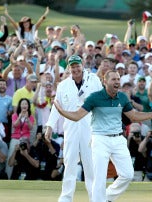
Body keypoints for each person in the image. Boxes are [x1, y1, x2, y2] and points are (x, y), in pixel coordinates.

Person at [53, 70, 152, 202]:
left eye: (118, 79)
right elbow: (77, 116)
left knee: (128, 174)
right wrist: (61, 111)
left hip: (118, 139)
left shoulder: (122, 97)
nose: (117, 82)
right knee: (99, 177)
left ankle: (107, 197)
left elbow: (133, 116)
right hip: (100, 140)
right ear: (104, 81)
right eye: (114, 79)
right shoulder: (94, 98)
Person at [45, 55, 102, 202]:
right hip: (70, 127)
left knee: (90, 164)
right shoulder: (63, 85)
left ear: (82, 65)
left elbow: (102, 101)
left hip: (89, 126)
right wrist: (50, 126)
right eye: (72, 66)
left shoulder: (93, 80)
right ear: (69, 68)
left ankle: (95, 197)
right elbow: (56, 107)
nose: (75, 69)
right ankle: (66, 197)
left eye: (77, 66)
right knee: (69, 163)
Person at [6, 98, 34, 179]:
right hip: (15, 138)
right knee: (11, 155)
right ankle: (8, 177)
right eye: (22, 104)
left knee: (25, 157)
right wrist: (20, 117)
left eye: (26, 104)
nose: (24, 105)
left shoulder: (31, 116)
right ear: (20, 106)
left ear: (28, 106)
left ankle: (27, 177)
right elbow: (15, 125)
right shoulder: (14, 115)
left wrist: (27, 119)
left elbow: (31, 127)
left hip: (25, 139)